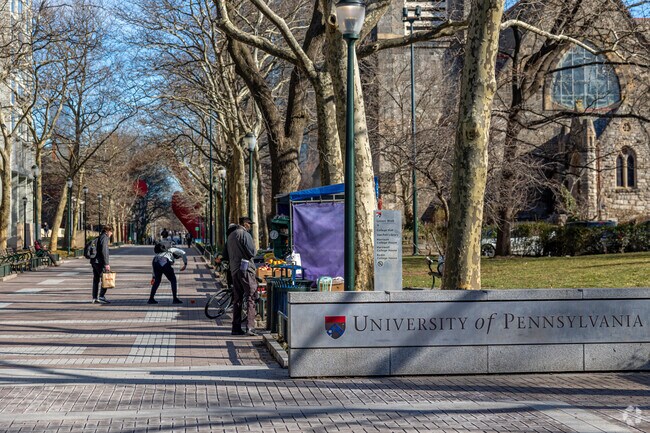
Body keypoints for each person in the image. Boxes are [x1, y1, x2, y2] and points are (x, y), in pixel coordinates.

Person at [226, 217, 259, 336]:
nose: (250, 226)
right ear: (245, 224)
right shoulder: (244, 234)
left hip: (234, 270)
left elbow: (226, 253)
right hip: (246, 269)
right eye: (250, 224)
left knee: (237, 299)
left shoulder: (231, 235)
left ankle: (236, 327)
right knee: (251, 296)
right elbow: (252, 252)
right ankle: (250, 327)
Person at [91, 225, 113, 304]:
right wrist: (106, 264)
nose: (111, 234)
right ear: (108, 231)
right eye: (111, 232)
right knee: (105, 279)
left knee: (96, 280)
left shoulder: (100, 237)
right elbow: (104, 252)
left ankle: (94, 297)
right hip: (100, 262)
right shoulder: (104, 238)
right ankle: (101, 296)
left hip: (94, 261)